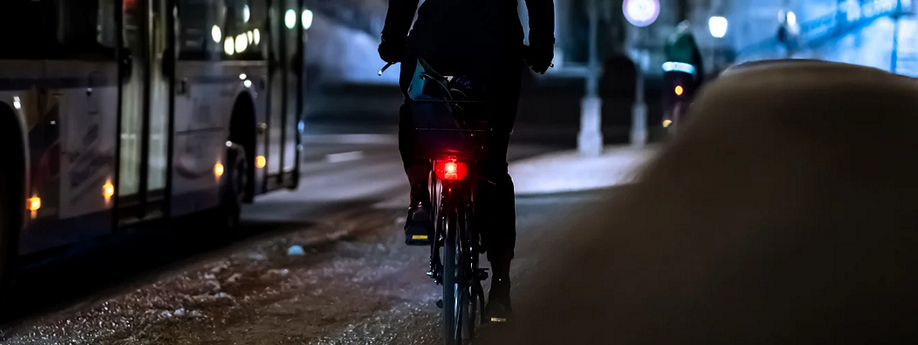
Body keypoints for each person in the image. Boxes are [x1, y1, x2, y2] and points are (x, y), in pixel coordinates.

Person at [378, 0, 555, 322]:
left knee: (417, 119)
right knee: (493, 164)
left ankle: (419, 197)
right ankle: (500, 287)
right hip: (495, 53)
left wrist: (392, 42)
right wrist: (541, 48)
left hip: (433, 46)